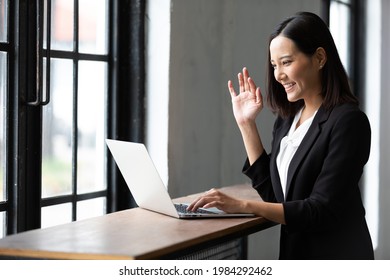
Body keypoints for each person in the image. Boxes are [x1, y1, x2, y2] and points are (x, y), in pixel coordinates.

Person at [187, 11, 374, 259]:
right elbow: (277, 197)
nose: (278, 75)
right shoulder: (287, 120)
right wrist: (246, 124)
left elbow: (321, 210)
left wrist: (241, 205)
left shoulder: (349, 122)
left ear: (319, 58)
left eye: (286, 62)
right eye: (275, 65)